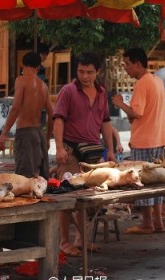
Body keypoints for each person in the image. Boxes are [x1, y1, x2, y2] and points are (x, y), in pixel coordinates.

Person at [53, 52, 116, 257]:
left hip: (93, 154)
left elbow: (105, 122)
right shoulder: (68, 91)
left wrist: (111, 150)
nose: (85, 76)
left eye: (89, 72)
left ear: (97, 72)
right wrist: (59, 147)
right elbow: (58, 120)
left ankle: (82, 241)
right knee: (67, 198)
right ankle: (64, 241)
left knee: (90, 199)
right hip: (71, 152)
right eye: (81, 71)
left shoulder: (102, 93)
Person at [112, 47, 165, 234]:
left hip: (145, 139)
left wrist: (120, 103)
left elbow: (137, 112)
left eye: (128, 64)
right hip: (158, 137)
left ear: (137, 64)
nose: (126, 68)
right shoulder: (157, 81)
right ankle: (158, 222)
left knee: (143, 181)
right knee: (158, 181)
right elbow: (142, 113)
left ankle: (147, 223)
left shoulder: (143, 83)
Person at [0, 52, 53, 179]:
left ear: (22, 65)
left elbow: (16, 107)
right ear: (38, 67)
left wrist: (4, 133)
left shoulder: (21, 80)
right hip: (39, 132)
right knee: (41, 178)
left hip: (25, 132)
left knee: (24, 178)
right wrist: (48, 137)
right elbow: (52, 114)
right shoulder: (43, 86)